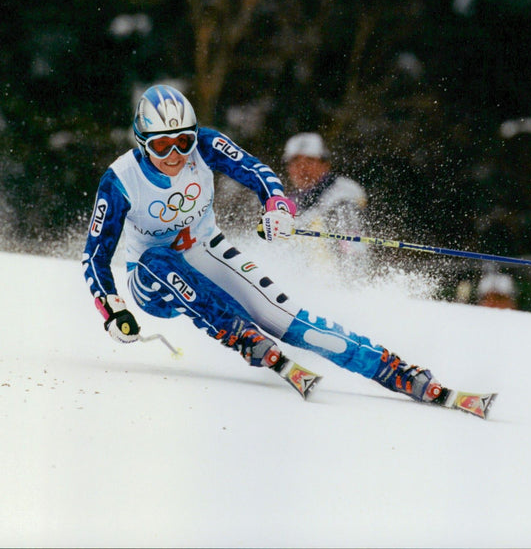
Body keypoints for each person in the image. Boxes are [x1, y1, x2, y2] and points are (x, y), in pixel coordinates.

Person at [82, 85, 446, 404]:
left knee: (286, 319)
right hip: (151, 282)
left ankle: (395, 370)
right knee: (157, 258)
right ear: (143, 142)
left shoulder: (206, 144)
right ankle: (240, 334)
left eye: (183, 141)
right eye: (162, 145)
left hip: (206, 251)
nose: (175, 154)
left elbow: (257, 172)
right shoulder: (120, 180)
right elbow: (96, 255)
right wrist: (111, 308)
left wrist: (277, 206)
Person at [282, 132, 369, 271]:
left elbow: (354, 254)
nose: (302, 168)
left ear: (325, 165)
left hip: (333, 283)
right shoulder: (288, 203)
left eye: (310, 161)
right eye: (295, 162)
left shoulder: (343, 197)